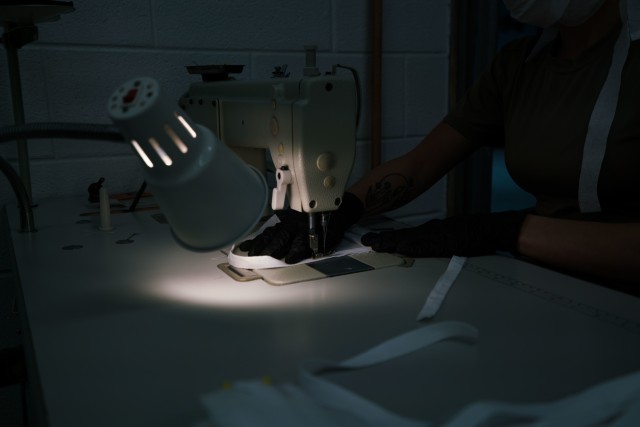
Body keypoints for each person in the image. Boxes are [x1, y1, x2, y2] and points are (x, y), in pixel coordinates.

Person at [239, 0, 640, 293]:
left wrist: (504, 231)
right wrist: (342, 208)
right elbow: (420, 165)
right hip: (544, 280)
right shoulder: (519, 64)